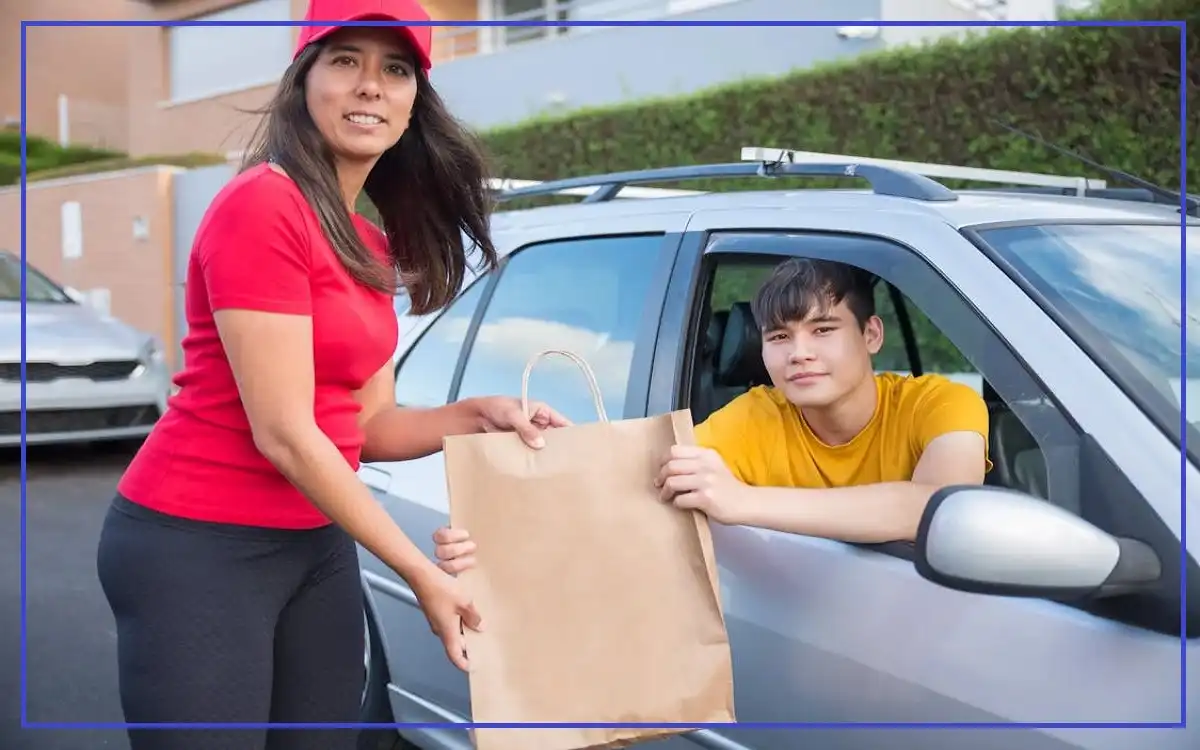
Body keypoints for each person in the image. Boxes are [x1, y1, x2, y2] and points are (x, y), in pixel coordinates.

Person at [95, 1, 567, 748]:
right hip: (197, 543)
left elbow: (368, 427)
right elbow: (285, 433)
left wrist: (480, 414)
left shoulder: (366, 241)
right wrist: (420, 571)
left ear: (416, 101)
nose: (370, 86)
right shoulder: (264, 204)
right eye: (345, 60)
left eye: (396, 69)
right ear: (304, 80)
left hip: (314, 543)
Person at [431, 258, 990, 572]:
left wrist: (742, 501)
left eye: (823, 330)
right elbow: (633, 484)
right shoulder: (756, 416)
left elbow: (936, 508)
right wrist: (486, 539)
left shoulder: (942, 403)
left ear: (871, 334)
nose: (799, 352)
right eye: (779, 336)